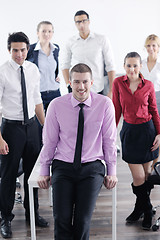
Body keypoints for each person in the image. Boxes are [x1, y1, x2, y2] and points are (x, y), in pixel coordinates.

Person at [38, 63, 118, 239]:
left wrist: (111, 171)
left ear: (92, 82)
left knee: (82, 220)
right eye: (76, 82)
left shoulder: (104, 104)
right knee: (61, 219)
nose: (81, 87)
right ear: (69, 82)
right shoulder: (56, 105)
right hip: (63, 166)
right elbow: (49, 141)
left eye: (85, 82)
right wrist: (44, 170)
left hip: (92, 167)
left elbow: (109, 141)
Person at [0, 32, 49, 239]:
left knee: (33, 174)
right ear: (9, 50)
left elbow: (37, 99)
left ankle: (32, 213)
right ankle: (5, 218)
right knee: (8, 176)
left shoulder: (33, 69)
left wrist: (46, 127)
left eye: (22, 50)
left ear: (28, 49)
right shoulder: (2, 72)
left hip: (32, 128)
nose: (19, 54)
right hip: (11, 129)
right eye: (15, 50)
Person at [112, 52, 160, 230]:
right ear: (124, 66)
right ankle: (147, 210)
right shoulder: (118, 83)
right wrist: (110, 134)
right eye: (128, 65)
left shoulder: (148, 85)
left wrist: (159, 134)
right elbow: (116, 110)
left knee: (146, 175)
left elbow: (154, 111)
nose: (132, 69)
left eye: (135, 65)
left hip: (147, 132)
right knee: (138, 176)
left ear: (140, 67)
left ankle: (139, 207)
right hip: (130, 132)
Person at [61, 10, 116, 98]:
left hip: (97, 89)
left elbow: (110, 65)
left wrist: (111, 90)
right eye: (78, 22)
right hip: (77, 90)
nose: (81, 24)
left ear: (89, 21)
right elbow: (64, 65)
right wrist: (69, 85)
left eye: (84, 21)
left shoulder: (101, 39)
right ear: (75, 24)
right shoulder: (70, 42)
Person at [27, 21, 60, 113]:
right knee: (39, 124)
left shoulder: (56, 49)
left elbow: (54, 67)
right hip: (38, 93)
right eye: (43, 31)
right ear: (38, 33)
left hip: (55, 92)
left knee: (57, 123)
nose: (47, 34)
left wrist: (55, 76)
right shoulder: (30, 49)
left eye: (49, 31)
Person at [141, 34, 160, 169]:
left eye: (154, 45)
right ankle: (148, 164)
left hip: (158, 99)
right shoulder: (140, 63)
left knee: (158, 133)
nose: (151, 48)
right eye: (148, 45)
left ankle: (155, 166)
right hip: (144, 101)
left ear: (158, 47)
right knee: (148, 132)